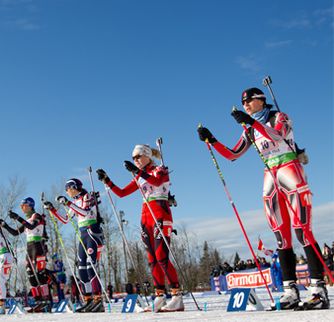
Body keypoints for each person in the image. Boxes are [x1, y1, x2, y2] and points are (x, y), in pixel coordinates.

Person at [198, 87, 329, 310]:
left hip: (289, 169)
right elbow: (233, 154)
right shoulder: (249, 127)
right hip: (270, 175)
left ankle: (318, 289)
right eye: (243, 102)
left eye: (249, 100)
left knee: (302, 230)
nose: (246, 104)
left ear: (261, 100)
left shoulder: (279, 116)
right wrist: (212, 140)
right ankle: (290, 290)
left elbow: (277, 135)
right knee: (281, 236)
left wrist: (252, 122)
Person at [96, 144, 184, 312]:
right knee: (152, 260)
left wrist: (138, 172)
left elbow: (157, 181)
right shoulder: (139, 176)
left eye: (138, 157)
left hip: (160, 214)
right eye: (133, 158)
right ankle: (159, 295)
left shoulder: (159, 169)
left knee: (162, 257)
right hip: (145, 218)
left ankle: (176, 295)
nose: (135, 160)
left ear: (147, 156)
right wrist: (107, 180)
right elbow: (122, 193)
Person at [44, 179, 105, 313]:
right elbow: (65, 220)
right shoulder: (75, 202)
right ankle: (88, 299)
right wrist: (53, 210)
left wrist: (68, 202)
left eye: (68, 189)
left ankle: (98, 300)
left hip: (91, 232)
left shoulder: (87, 196)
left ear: (74, 187)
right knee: (81, 268)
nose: (67, 192)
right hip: (82, 233)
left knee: (90, 266)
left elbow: (85, 213)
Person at [0, 197, 50, 313]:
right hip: (29, 248)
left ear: (30, 205)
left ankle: (45, 301)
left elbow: (31, 226)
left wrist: (17, 217)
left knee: (40, 274)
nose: (22, 208)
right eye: (21, 206)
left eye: (23, 205)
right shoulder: (27, 220)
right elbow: (15, 233)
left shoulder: (36, 216)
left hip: (38, 247)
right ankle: (38, 302)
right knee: (31, 275)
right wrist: (4, 225)